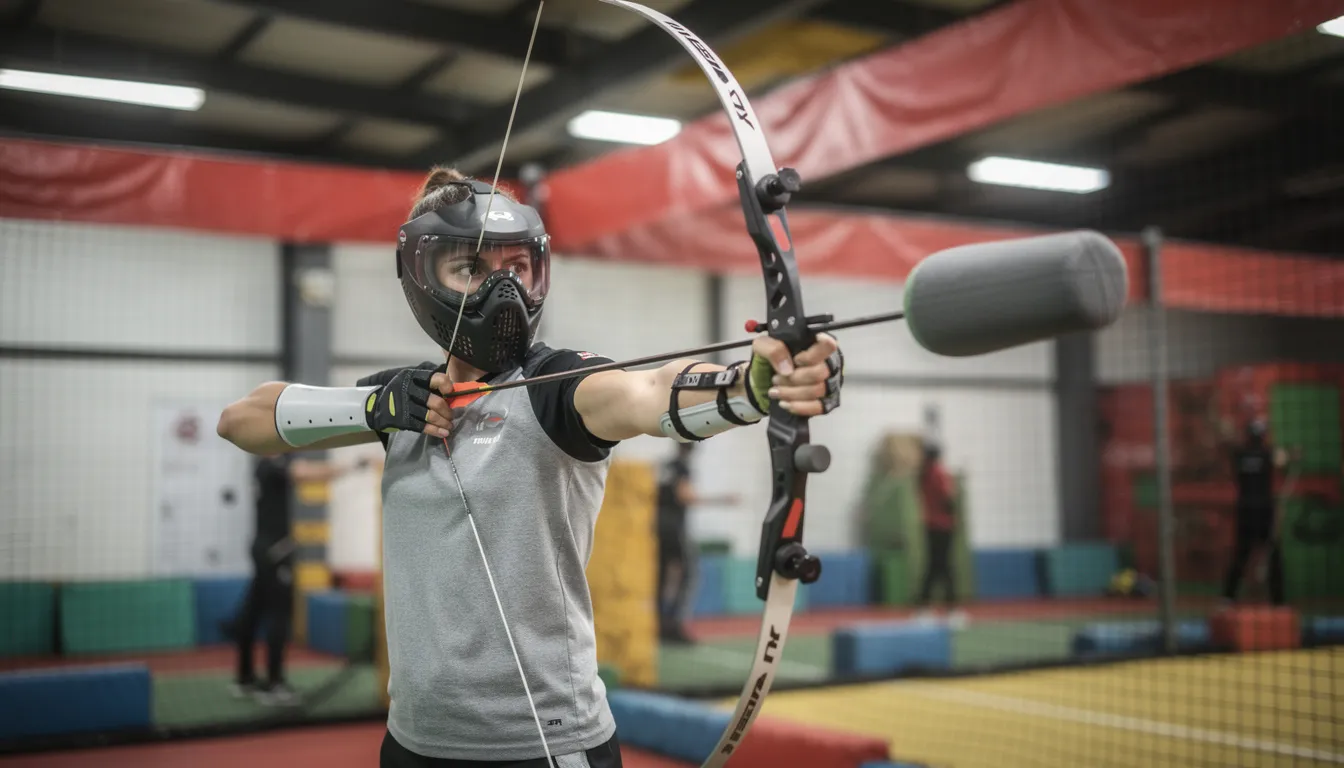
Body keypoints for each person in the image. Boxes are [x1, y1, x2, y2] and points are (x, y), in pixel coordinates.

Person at [215, 168, 845, 767]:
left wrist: (751, 386)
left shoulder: (555, 386)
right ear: (421, 275)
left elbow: (646, 392)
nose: (503, 290)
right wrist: (377, 405)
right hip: (413, 742)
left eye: (518, 267)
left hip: (545, 746)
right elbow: (243, 420)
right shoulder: (400, 401)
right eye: (472, 269)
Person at [225, 453, 366, 705]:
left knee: (252, 611)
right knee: (279, 615)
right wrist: (352, 465)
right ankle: (273, 684)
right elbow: (306, 473)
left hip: (265, 549)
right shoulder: (271, 464)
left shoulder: (263, 465)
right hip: (275, 552)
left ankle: (245, 678)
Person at [655, 442, 738, 645]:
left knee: (663, 576)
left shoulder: (665, 466)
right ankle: (673, 625)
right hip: (675, 528)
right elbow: (685, 496)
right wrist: (722, 500)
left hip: (659, 526)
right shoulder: (682, 467)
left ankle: (658, 624)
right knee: (689, 574)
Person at [1220, 419, 1290, 607]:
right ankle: (1278, 600)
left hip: (1245, 511)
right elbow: (1283, 461)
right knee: (1273, 555)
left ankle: (1228, 597)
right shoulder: (1269, 453)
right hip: (1264, 511)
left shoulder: (1240, 455)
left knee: (1241, 555)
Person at [913, 438, 966, 627]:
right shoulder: (939, 473)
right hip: (943, 527)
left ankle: (924, 609)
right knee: (945, 568)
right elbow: (948, 500)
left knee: (934, 567)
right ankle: (952, 611)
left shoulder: (922, 474)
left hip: (930, 527)